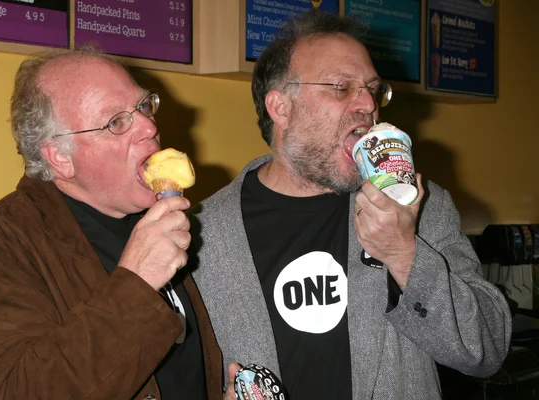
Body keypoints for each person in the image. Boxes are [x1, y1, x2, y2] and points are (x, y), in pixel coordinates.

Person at [190, 10, 512, 399]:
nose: (368, 105)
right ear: (281, 108)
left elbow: (487, 351)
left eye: (373, 89)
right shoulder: (201, 234)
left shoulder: (419, 206)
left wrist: (404, 254)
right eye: (341, 88)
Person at [0, 47, 226, 399]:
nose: (150, 127)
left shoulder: (161, 220)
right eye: (117, 122)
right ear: (60, 158)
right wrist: (136, 283)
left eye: (142, 106)